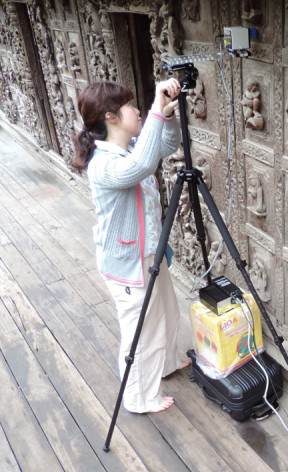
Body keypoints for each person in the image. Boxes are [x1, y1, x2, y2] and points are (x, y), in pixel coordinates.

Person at [72, 79, 189, 413]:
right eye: (130, 107)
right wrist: (154, 109)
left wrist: (165, 116)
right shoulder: (103, 165)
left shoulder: (131, 144)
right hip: (127, 264)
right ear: (111, 117)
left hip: (150, 253)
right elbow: (140, 167)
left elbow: (165, 146)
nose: (137, 110)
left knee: (166, 311)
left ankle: (165, 365)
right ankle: (139, 397)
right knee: (142, 330)